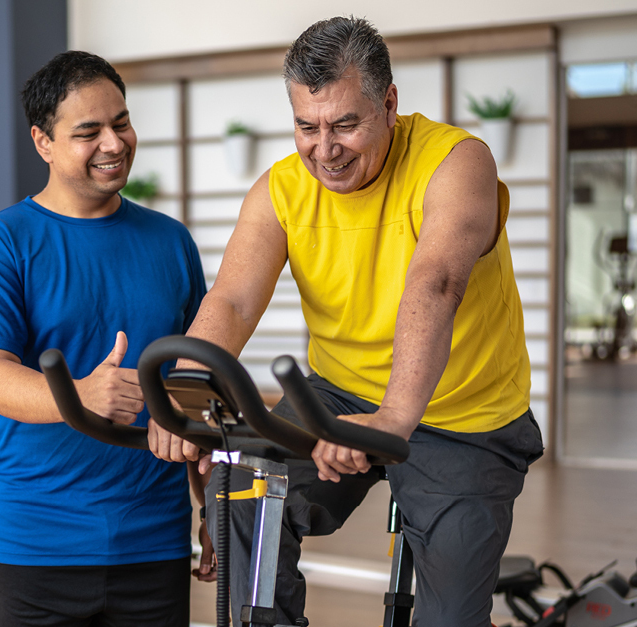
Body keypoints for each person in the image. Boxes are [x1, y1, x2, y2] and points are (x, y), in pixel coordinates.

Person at [149, 16, 545, 626]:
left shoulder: (459, 163)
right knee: (243, 493)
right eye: (307, 126)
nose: (324, 149)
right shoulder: (281, 189)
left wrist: (391, 419)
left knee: (452, 618)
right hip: (337, 392)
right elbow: (230, 301)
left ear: (389, 103)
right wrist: (183, 396)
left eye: (345, 124)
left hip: (464, 412)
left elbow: (436, 280)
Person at [0, 50, 207, 627]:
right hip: (35, 539)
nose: (114, 144)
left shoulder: (170, 242)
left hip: (154, 537)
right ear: (43, 142)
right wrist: (79, 396)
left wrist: (212, 507)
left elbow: (197, 387)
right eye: (88, 132)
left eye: (121, 123)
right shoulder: (1, 242)